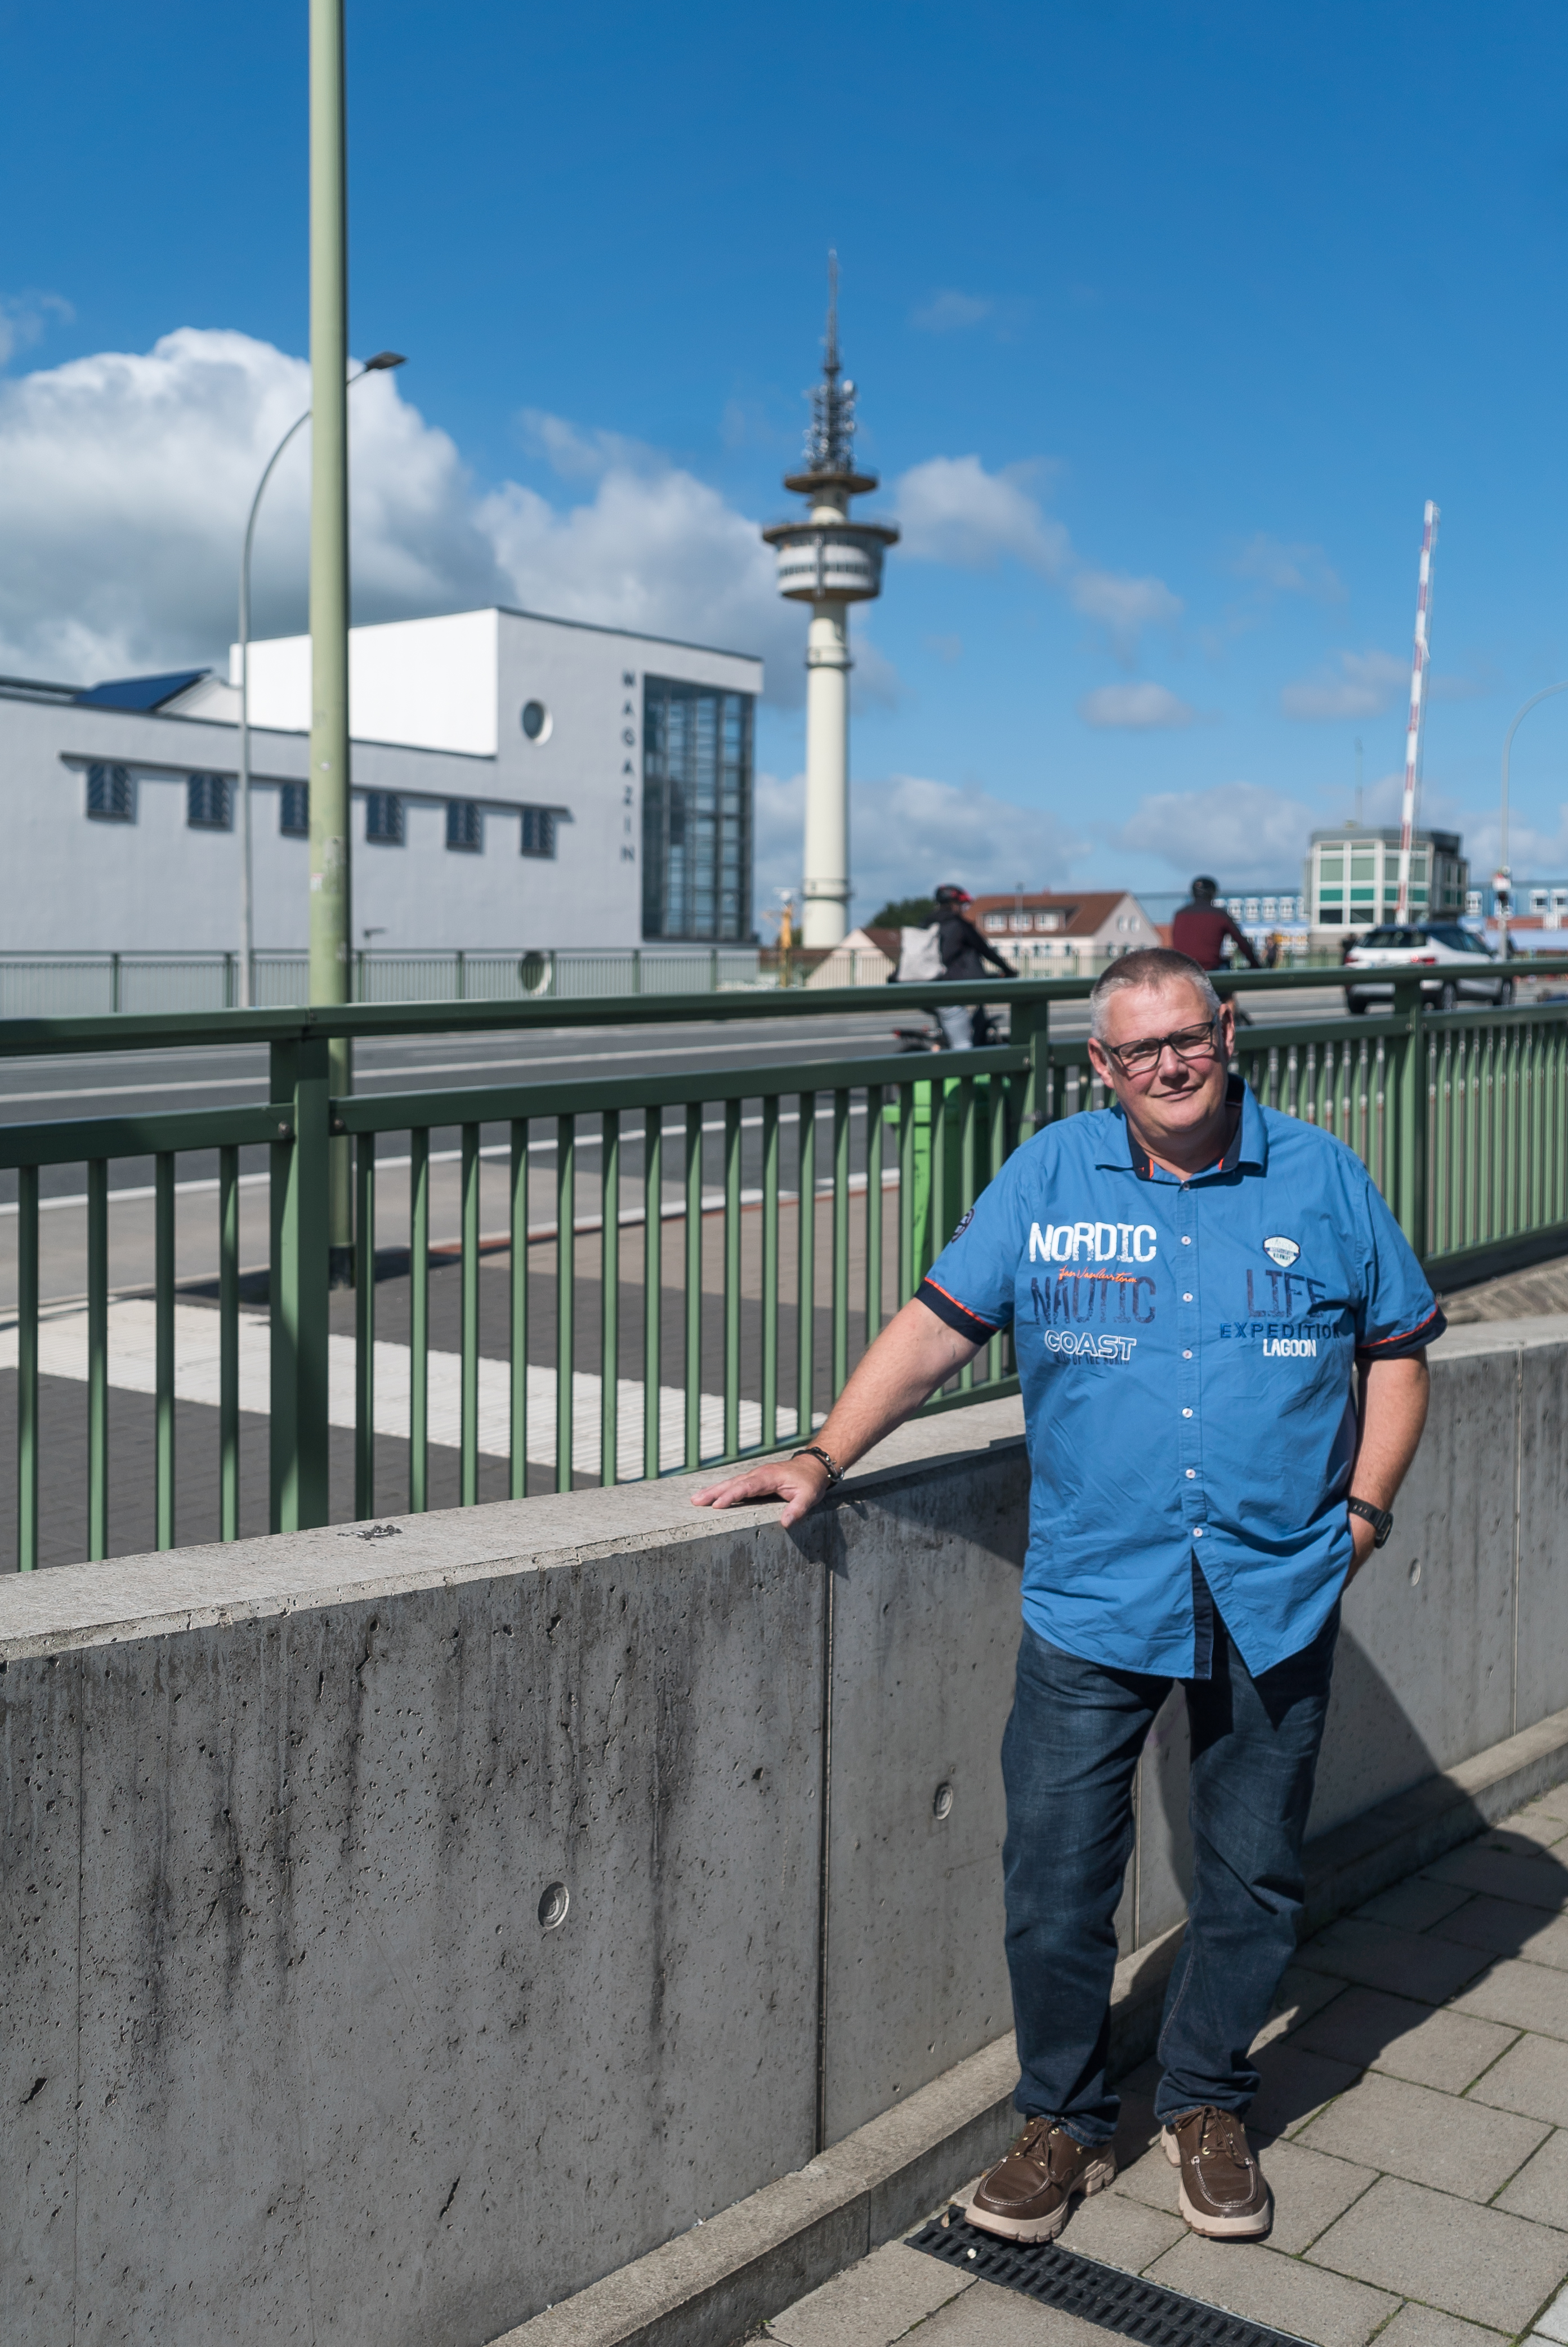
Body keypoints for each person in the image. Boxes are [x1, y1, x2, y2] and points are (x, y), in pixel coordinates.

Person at [693, 946, 1440, 2248]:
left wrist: (1360, 1517)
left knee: (1252, 1876)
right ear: (1101, 1065)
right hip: (1093, 1591)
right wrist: (820, 1453)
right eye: (1135, 1048)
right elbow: (935, 1323)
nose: (1166, 1062)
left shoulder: (1319, 1175)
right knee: (1052, 1882)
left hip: (1270, 1588)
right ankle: (1060, 2118)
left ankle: (1205, 2101)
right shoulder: (1049, 1172)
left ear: (1226, 1030)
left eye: (1185, 1035)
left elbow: (1393, 1356)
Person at [932, 883, 1016, 1048]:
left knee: (948, 1032)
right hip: (955, 988)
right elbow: (985, 949)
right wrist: (1008, 970)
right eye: (961, 905)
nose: (963, 909)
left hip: (926, 985)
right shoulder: (959, 926)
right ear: (954, 905)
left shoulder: (927, 923)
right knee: (964, 1044)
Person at [1171, 877, 1261, 973]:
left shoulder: (1179, 915)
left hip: (1182, 970)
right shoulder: (1219, 915)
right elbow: (1242, 943)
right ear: (1213, 893)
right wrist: (1256, 965)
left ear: (1192, 893)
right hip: (1210, 971)